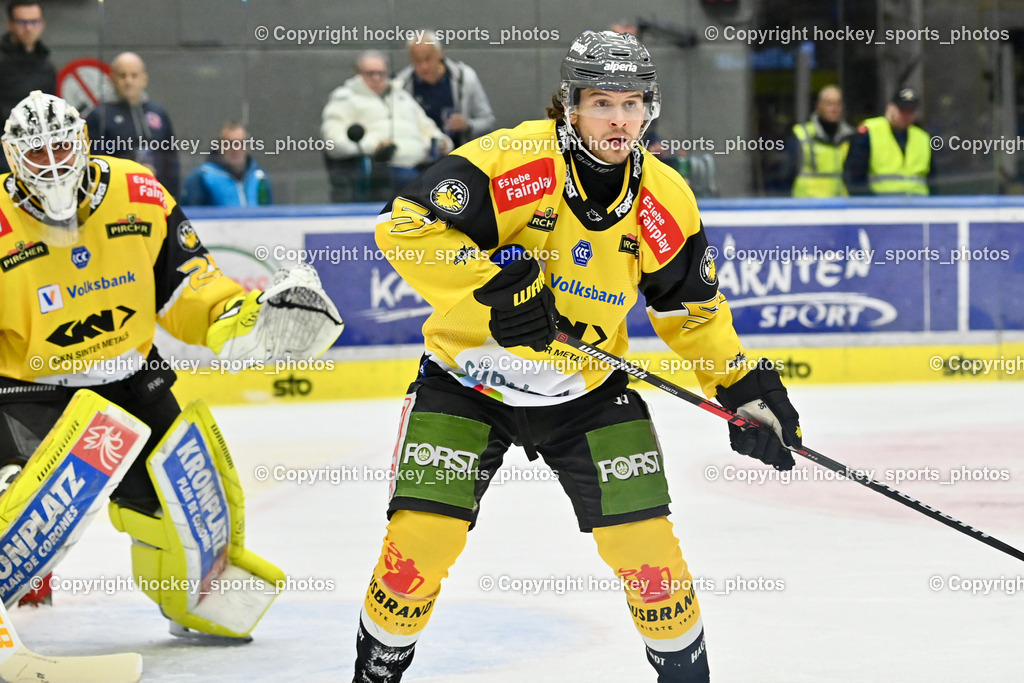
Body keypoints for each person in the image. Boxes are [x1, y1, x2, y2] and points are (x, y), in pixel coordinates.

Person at [352, 30, 802, 682]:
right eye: (601, 103)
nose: (618, 120)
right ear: (569, 107)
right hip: (468, 381)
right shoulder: (515, 159)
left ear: (649, 109)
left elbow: (691, 312)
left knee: (650, 556)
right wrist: (493, 295)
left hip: (587, 392)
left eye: (631, 104)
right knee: (417, 548)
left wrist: (746, 387)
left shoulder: (664, 197)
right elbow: (406, 226)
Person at [0, 92, 342, 639]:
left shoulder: (137, 191)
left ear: (84, 141)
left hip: (131, 376)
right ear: (13, 158)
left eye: (62, 147)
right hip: (30, 387)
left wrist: (241, 320)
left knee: (193, 508)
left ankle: (193, 600)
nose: (54, 163)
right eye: (37, 154)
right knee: (20, 505)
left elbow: (188, 286)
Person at [321, 51, 450, 203]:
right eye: (370, 74)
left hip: (422, 165)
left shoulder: (402, 98)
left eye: (381, 73)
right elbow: (333, 142)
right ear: (358, 74)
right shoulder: (345, 99)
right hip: (381, 170)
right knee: (419, 186)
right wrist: (374, 148)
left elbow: (430, 129)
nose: (377, 78)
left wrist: (443, 143)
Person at [85, 52, 181, 196]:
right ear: (112, 79)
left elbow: (171, 158)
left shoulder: (158, 113)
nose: (128, 81)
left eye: (134, 75)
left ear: (144, 79)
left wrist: (173, 197)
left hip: (156, 195)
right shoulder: (99, 116)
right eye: (122, 76)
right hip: (118, 196)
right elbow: (95, 163)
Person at [395, 31, 496, 148]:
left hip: (460, 153)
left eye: (428, 59)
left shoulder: (465, 78)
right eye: (417, 60)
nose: (423, 66)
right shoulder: (401, 85)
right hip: (420, 156)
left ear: (440, 53)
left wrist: (468, 125)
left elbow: (488, 122)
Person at [0, 0, 56, 173]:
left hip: (37, 149)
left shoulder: (47, 66)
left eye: (34, 22)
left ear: (43, 24)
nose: (29, 28)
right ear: (10, 24)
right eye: (23, 22)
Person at [844, 86, 932, 195]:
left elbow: (932, 179)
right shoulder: (870, 132)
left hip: (920, 206)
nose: (906, 115)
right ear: (890, 108)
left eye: (911, 111)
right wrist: (868, 206)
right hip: (882, 207)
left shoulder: (922, 137)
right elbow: (854, 177)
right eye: (902, 110)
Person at [785, 85, 855, 197]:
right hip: (807, 206)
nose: (834, 109)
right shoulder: (802, 135)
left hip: (840, 207)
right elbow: (786, 175)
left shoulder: (849, 137)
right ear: (818, 106)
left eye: (838, 104)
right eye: (829, 104)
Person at [181, 122, 272, 207]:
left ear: (248, 147)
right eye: (229, 144)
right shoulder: (203, 177)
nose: (235, 149)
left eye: (240, 143)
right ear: (219, 147)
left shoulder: (259, 177)